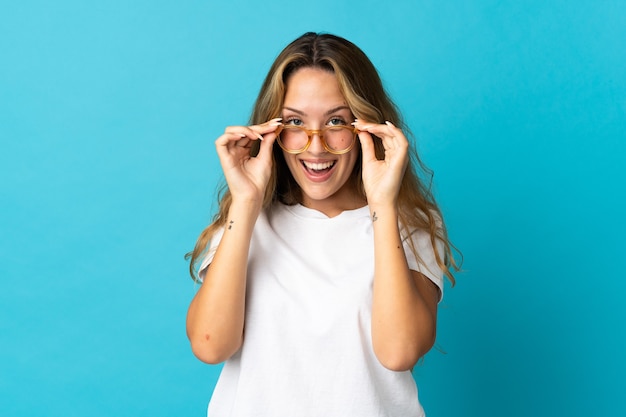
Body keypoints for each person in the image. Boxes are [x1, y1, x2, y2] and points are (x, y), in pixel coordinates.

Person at [186, 32, 459, 417]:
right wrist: (246, 203)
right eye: (296, 121)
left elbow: (399, 351)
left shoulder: (411, 223)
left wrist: (381, 202)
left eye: (336, 121)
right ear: (273, 131)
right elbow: (211, 345)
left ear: (366, 126)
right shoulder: (245, 221)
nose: (316, 147)